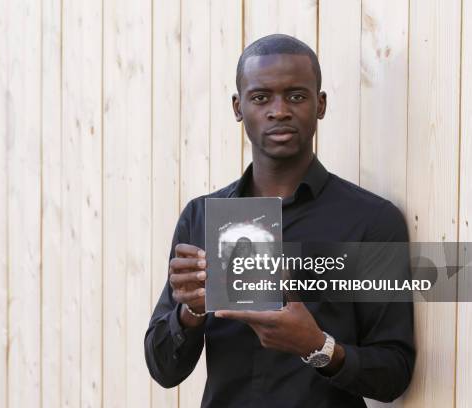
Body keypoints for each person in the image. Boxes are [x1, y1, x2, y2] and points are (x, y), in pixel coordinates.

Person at [144, 34, 415, 407]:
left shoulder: (371, 221)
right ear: (238, 107)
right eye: (261, 98)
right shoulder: (202, 215)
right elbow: (163, 369)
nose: (279, 110)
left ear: (320, 104)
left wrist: (318, 347)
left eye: (296, 96)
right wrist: (191, 311)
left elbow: (394, 372)